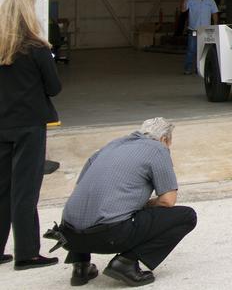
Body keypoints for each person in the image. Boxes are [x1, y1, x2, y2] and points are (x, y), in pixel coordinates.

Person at [58, 117, 196, 286]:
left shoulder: (110, 146)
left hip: (69, 236)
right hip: (108, 237)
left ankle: (80, 266)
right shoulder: (158, 149)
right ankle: (125, 263)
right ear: (164, 139)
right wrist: (145, 205)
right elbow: (168, 201)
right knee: (187, 216)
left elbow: (81, 188)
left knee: (89, 205)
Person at [0, 0, 61, 271]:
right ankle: (26, 253)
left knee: (2, 190)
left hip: (2, 125)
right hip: (29, 127)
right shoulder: (36, 48)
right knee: (25, 192)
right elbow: (54, 87)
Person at [179, 0, 218, 76]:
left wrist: (215, 25)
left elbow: (215, 13)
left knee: (203, 50)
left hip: (206, 30)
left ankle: (199, 69)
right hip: (194, 29)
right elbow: (183, 10)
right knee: (191, 50)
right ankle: (188, 69)